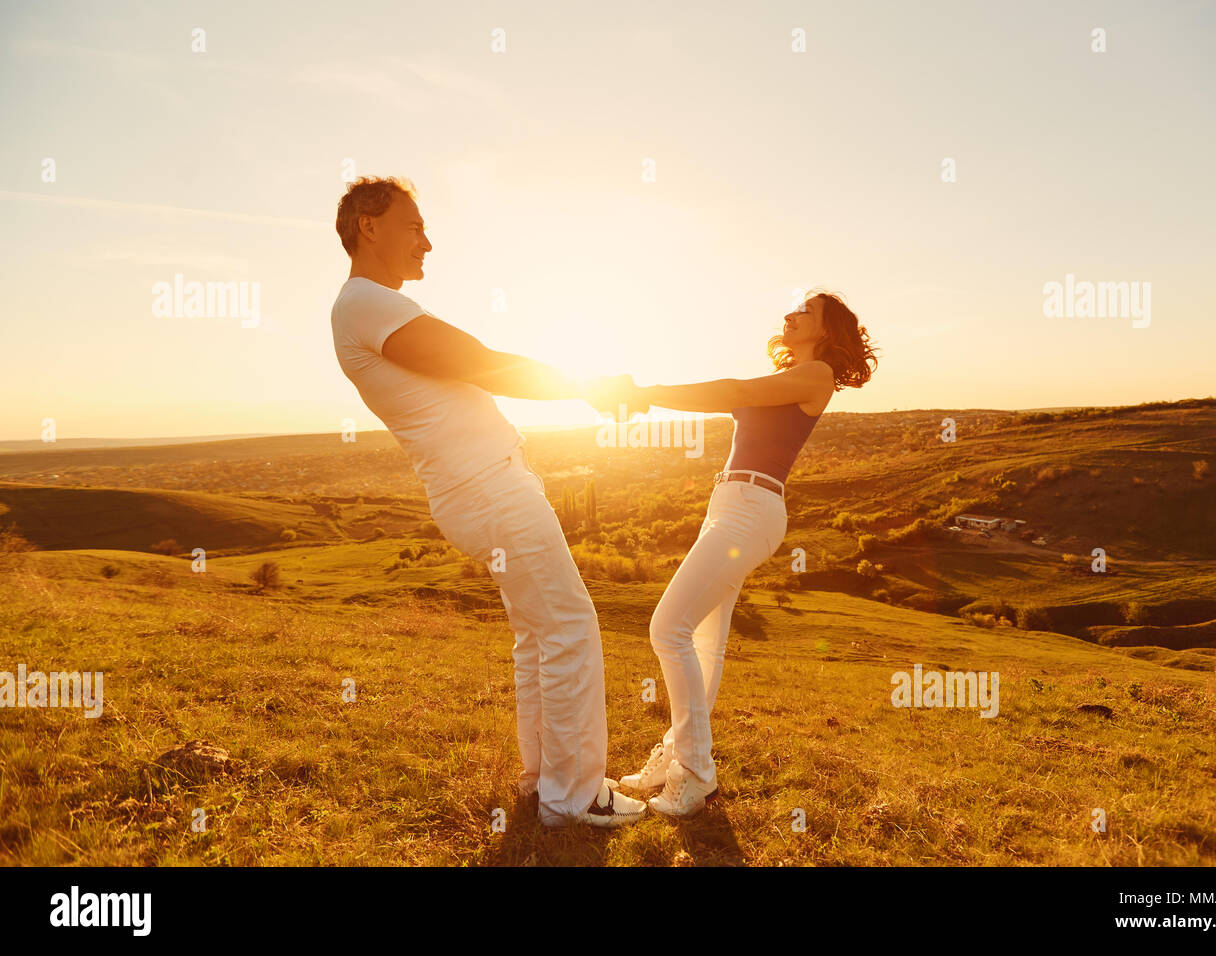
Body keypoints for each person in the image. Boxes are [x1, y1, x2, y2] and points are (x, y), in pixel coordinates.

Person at [329, 176, 647, 828]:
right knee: (570, 626)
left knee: (538, 635)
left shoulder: (368, 304)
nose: (428, 241)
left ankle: (544, 784)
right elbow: (477, 361)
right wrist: (587, 386)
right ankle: (575, 797)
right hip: (487, 486)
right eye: (414, 225)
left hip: (485, 485)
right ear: (368, 225)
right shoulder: (365, 302)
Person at [611, 292, 878, 816]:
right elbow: (731, 393)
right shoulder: (787, 378)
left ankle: (694, 775)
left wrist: (642, 393)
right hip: (730, 502)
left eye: (807, 311)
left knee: (667, 629)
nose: (792, 313)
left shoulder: (817, 374)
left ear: (825, 331)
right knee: (704, 644)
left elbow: (730, 390)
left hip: (752, 508)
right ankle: (677, 760)